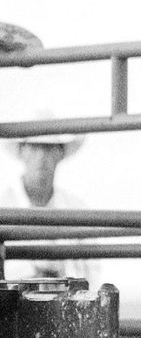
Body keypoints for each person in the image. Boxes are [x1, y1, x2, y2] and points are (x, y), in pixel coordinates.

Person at [0, 117, 98, 284]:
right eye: (34, 147)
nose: (41, 156)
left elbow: (92, 275)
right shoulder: (3, 204)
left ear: (59, 153)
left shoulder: (76, 209)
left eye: (48, 148)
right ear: (22, 151)